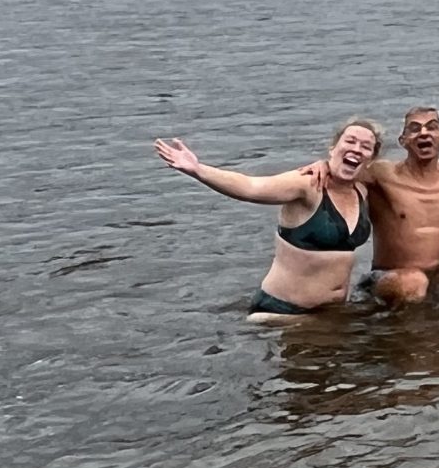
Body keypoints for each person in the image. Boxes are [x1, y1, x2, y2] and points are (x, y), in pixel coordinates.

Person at [153, 119, 382, 319]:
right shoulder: (307, 184)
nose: (356, 149)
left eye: (365, 147)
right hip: (284, 312)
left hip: (330, 314)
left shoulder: (362, 191)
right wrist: (198, 169)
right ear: (333, 148)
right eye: (350, 141)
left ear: (371, 159)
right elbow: (251, 187)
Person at [354, 106, 439, 302]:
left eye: (432, 127)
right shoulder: (382, 174)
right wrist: (322, 167)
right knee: (413, 282)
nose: (423, 133)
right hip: (389, 274)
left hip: (438, 273)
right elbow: (342, 174)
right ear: (402, 140)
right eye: (414, 128)